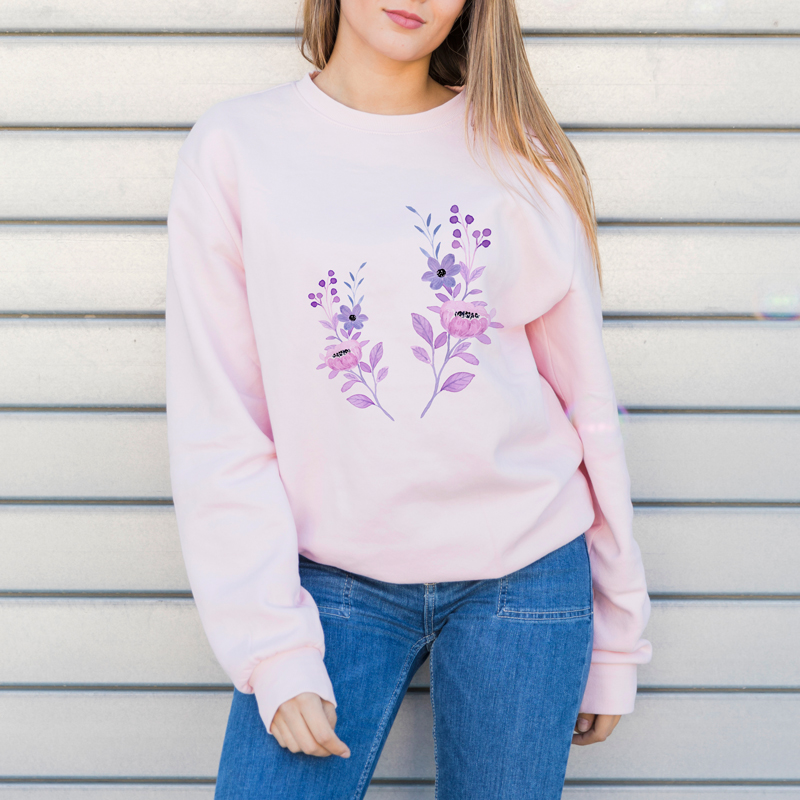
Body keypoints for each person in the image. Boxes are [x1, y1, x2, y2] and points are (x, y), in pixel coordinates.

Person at [164, 0, 653, 796]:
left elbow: (585, 402)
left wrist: (619, 630)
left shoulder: (519, 153)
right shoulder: (236, 149)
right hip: (332, 577)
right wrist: (271, 642)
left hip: (524, 574)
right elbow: (221, 419)